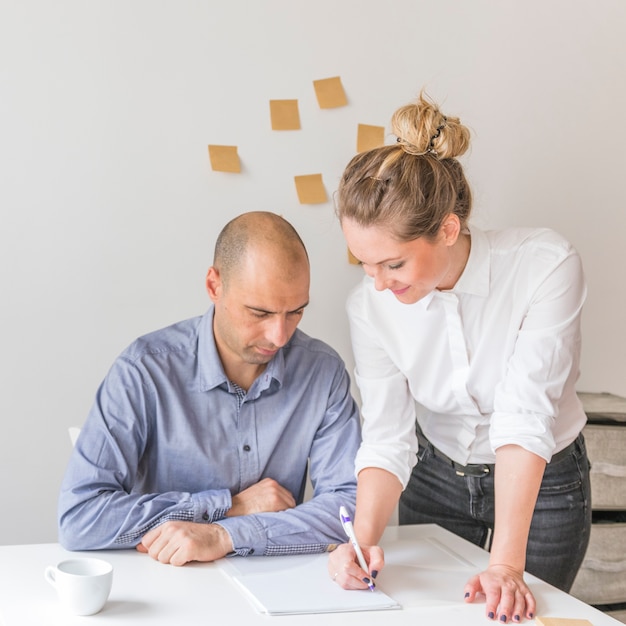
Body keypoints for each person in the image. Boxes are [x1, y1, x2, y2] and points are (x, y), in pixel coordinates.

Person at [328, 92, 591, 623]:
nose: (376, 283)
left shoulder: (544, 267)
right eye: (364, 263)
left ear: (448, 229)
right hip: (437, 477)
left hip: (543, 485)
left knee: (517, 614)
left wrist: (506, 567)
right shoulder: (369, 307)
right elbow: (386, 437)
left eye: (393, 263)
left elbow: (525, 417)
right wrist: (359, 544)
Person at [58, 211, 361, 566]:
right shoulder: (143, 371)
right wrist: (231, 506)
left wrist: (224, 534)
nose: (280, 336)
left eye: (295, 312)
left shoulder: (322, 372)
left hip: (280, 586)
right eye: (260, 313)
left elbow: (349, 508)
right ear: (214, 285)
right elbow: (81, 517)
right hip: (167, 582)